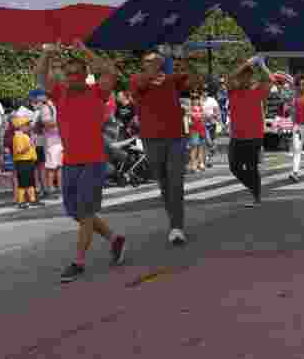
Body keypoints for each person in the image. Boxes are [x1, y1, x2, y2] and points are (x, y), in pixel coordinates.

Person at [35, 41, 126, 282]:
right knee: (75, 212)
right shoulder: (60, 93)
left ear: (85, 75)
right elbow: (40, 76)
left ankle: (79, 261)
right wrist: (47, 54)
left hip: (93, 161)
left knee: (85, 212)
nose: (73, 76)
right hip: (70, 162)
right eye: (69, 73)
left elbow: (109, 71)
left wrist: (82, 47)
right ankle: (114, 238)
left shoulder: (97, 92)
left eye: (78, 72)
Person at [130, 51, 202, 246]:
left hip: (175, 138)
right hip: (151, 139)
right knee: (164, 183)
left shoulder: (171, 79)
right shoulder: (136, 79)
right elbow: (142, 85)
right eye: (148, 61)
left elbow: (194, 82)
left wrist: (187, 62)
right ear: (144, 64)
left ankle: (177, 227)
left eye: (155, 60)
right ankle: (174, 222)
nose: (152, 63)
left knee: (176, 181)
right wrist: (156, 73)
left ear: (161, 62)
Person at [226, 56, 290, 206]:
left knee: (251, 167)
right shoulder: (233, 92)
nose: (243, 80)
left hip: (253, 136)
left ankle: (256, 197)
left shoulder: (257, 91)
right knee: (234, 167)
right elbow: (230, 77)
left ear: (250, 78)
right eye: (242, 77)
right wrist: (247, 63)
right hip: (236, 136)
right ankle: (254, 188)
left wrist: (261, 65)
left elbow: (272, 80)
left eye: (247, 77)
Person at [9, 115, 40, 209]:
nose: (29, 127)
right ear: (21, 126)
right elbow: (19, 151)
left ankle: (32, 199)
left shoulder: (25, 135)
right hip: (22, 162)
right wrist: (30, 145)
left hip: (29, 161)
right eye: (27, 125)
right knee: (23, 183)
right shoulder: (18, 136)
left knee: (30, 181)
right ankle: (21, 201)